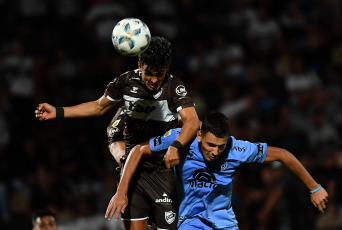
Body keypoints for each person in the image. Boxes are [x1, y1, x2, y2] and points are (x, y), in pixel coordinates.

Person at [35, 36, 200, 230]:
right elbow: (98, 107)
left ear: (167, 69)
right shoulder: (126, 82)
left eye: (159, 74)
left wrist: (175, 146)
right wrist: (59, 111)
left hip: (161, 174)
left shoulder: (173, 87)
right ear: (140, 65)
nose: (154, 80)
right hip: (131, 174)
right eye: (149, 73)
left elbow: (193, 120)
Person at [105, 112, 328, 230]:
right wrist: (122, 192)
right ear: (200, 135)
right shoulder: (181, 138)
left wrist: (314, 187)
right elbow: (138, 151)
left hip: (224, 222)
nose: (216, 152)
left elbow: (283, 155)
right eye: (211, 145)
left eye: (221, 146)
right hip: (189, 221)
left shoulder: (237, 148)